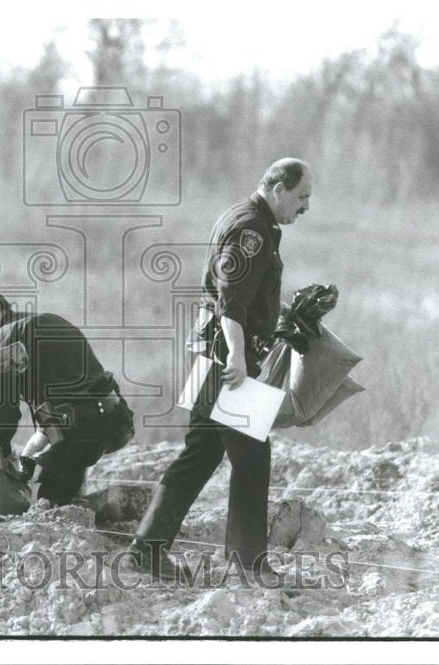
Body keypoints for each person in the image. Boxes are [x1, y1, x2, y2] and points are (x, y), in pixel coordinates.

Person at [126, 159, 313, 580]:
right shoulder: (252, 230)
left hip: (214, 352)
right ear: (279, 188)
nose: (305, 207)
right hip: (225, 358)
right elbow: (230, 302)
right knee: (253, 457)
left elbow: (242, 296)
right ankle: (247, 564)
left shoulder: (248, 219)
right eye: (302, 197)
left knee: (200, 455)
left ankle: (145, 551)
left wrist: (287, 318)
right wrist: (237, 358)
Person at [0, 285, 135, 505]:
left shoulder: (3, 339)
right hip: (117, 420)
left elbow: (4, 405)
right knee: (59, 470)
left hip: (80, 432)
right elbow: (71, 389)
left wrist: (0, 450)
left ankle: (107, 507)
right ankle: (123, 503)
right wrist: (39, 442)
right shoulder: (48, 320)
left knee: (42, 501)